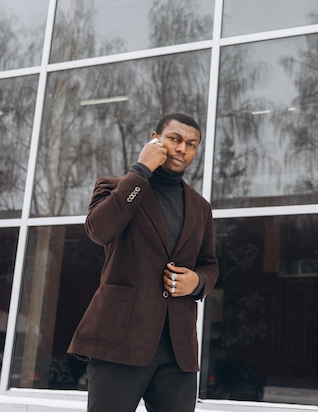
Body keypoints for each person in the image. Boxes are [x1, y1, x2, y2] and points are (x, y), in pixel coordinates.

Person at [68, 113, 219, 412]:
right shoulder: (115, 188)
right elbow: (99, 231)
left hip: (178, 351)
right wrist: (140, 170)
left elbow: (210, 265)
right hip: (120, 341)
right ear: (155, 138)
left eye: (191, 144)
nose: (182, 149)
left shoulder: (201, 207)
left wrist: (197, 282)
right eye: (174, 139)